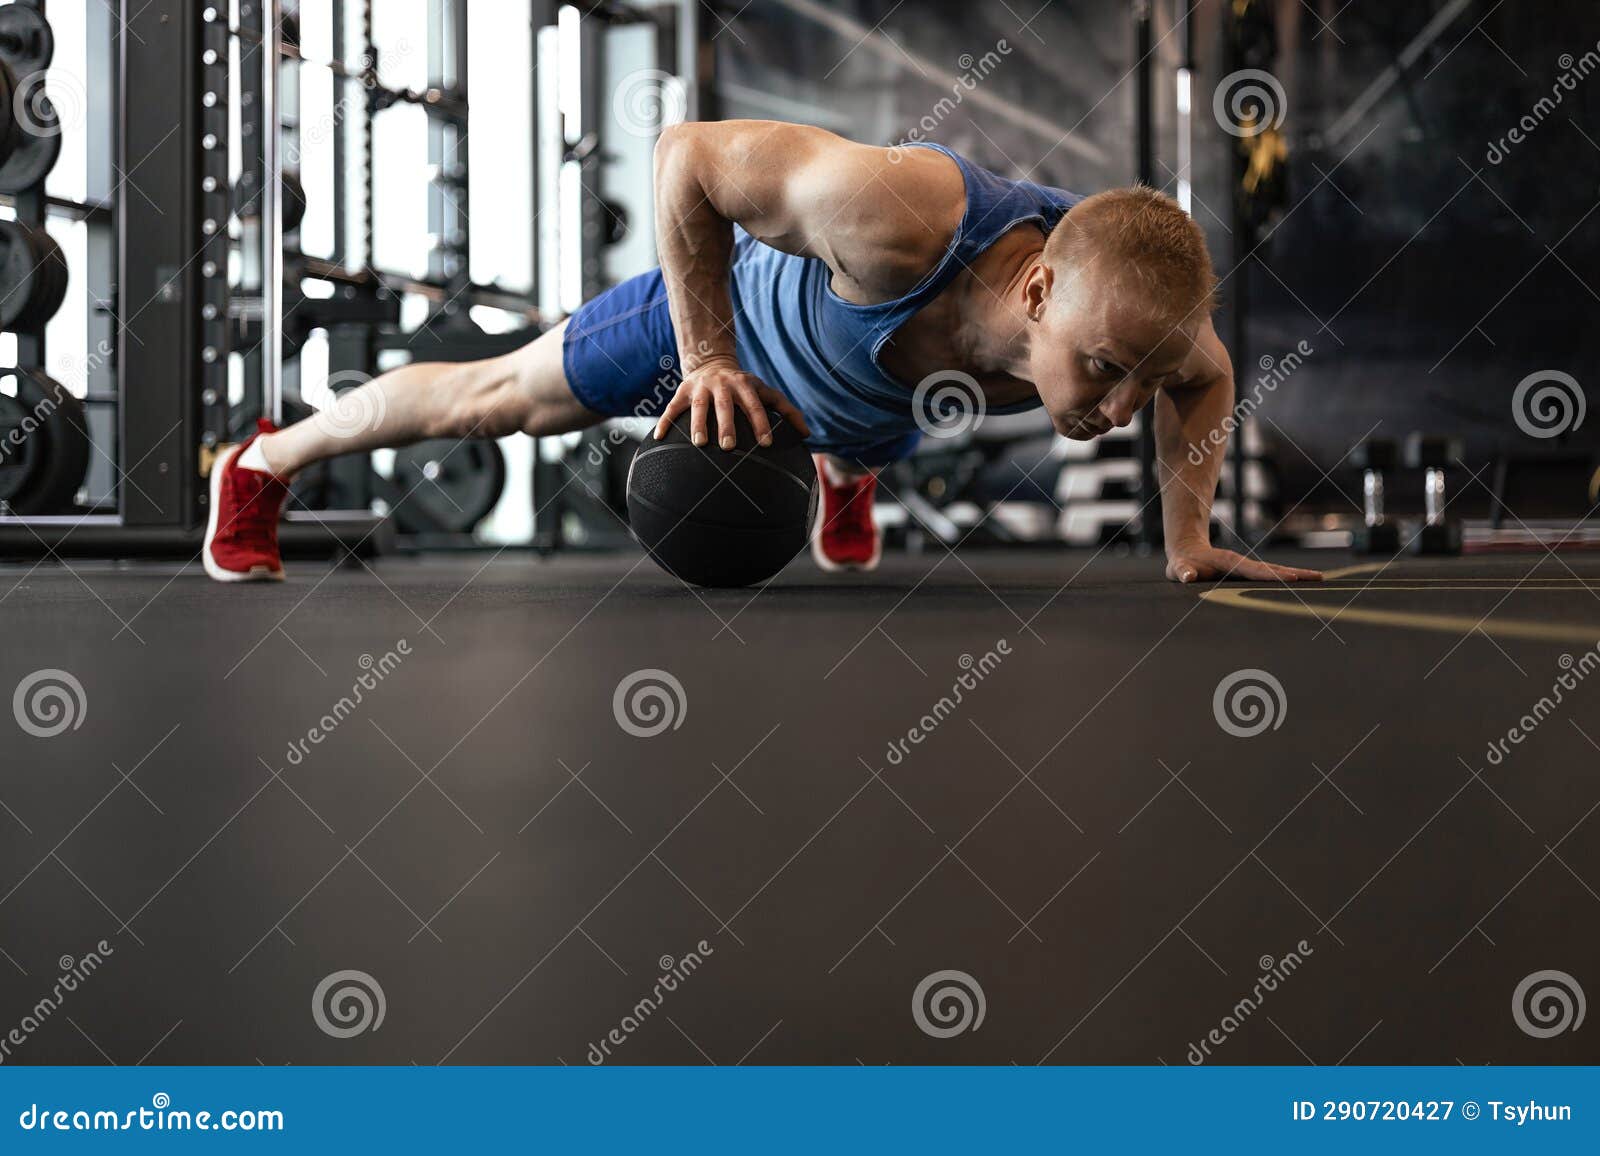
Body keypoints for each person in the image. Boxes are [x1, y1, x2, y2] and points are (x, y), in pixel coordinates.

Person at [203, 119, 1323, 585]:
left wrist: (1188, 538)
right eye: (1109, 371)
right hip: (738, 325)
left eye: (1142, 379)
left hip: (873, 397)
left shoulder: (1133, 318)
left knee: (879, 415)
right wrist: (707, 357)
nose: (1121, 410)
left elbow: (1209, 375)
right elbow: (684, 155)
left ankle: (845, 465)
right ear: (1035, 290)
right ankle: (262, 464)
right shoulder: (895, 217)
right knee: (499, 400)